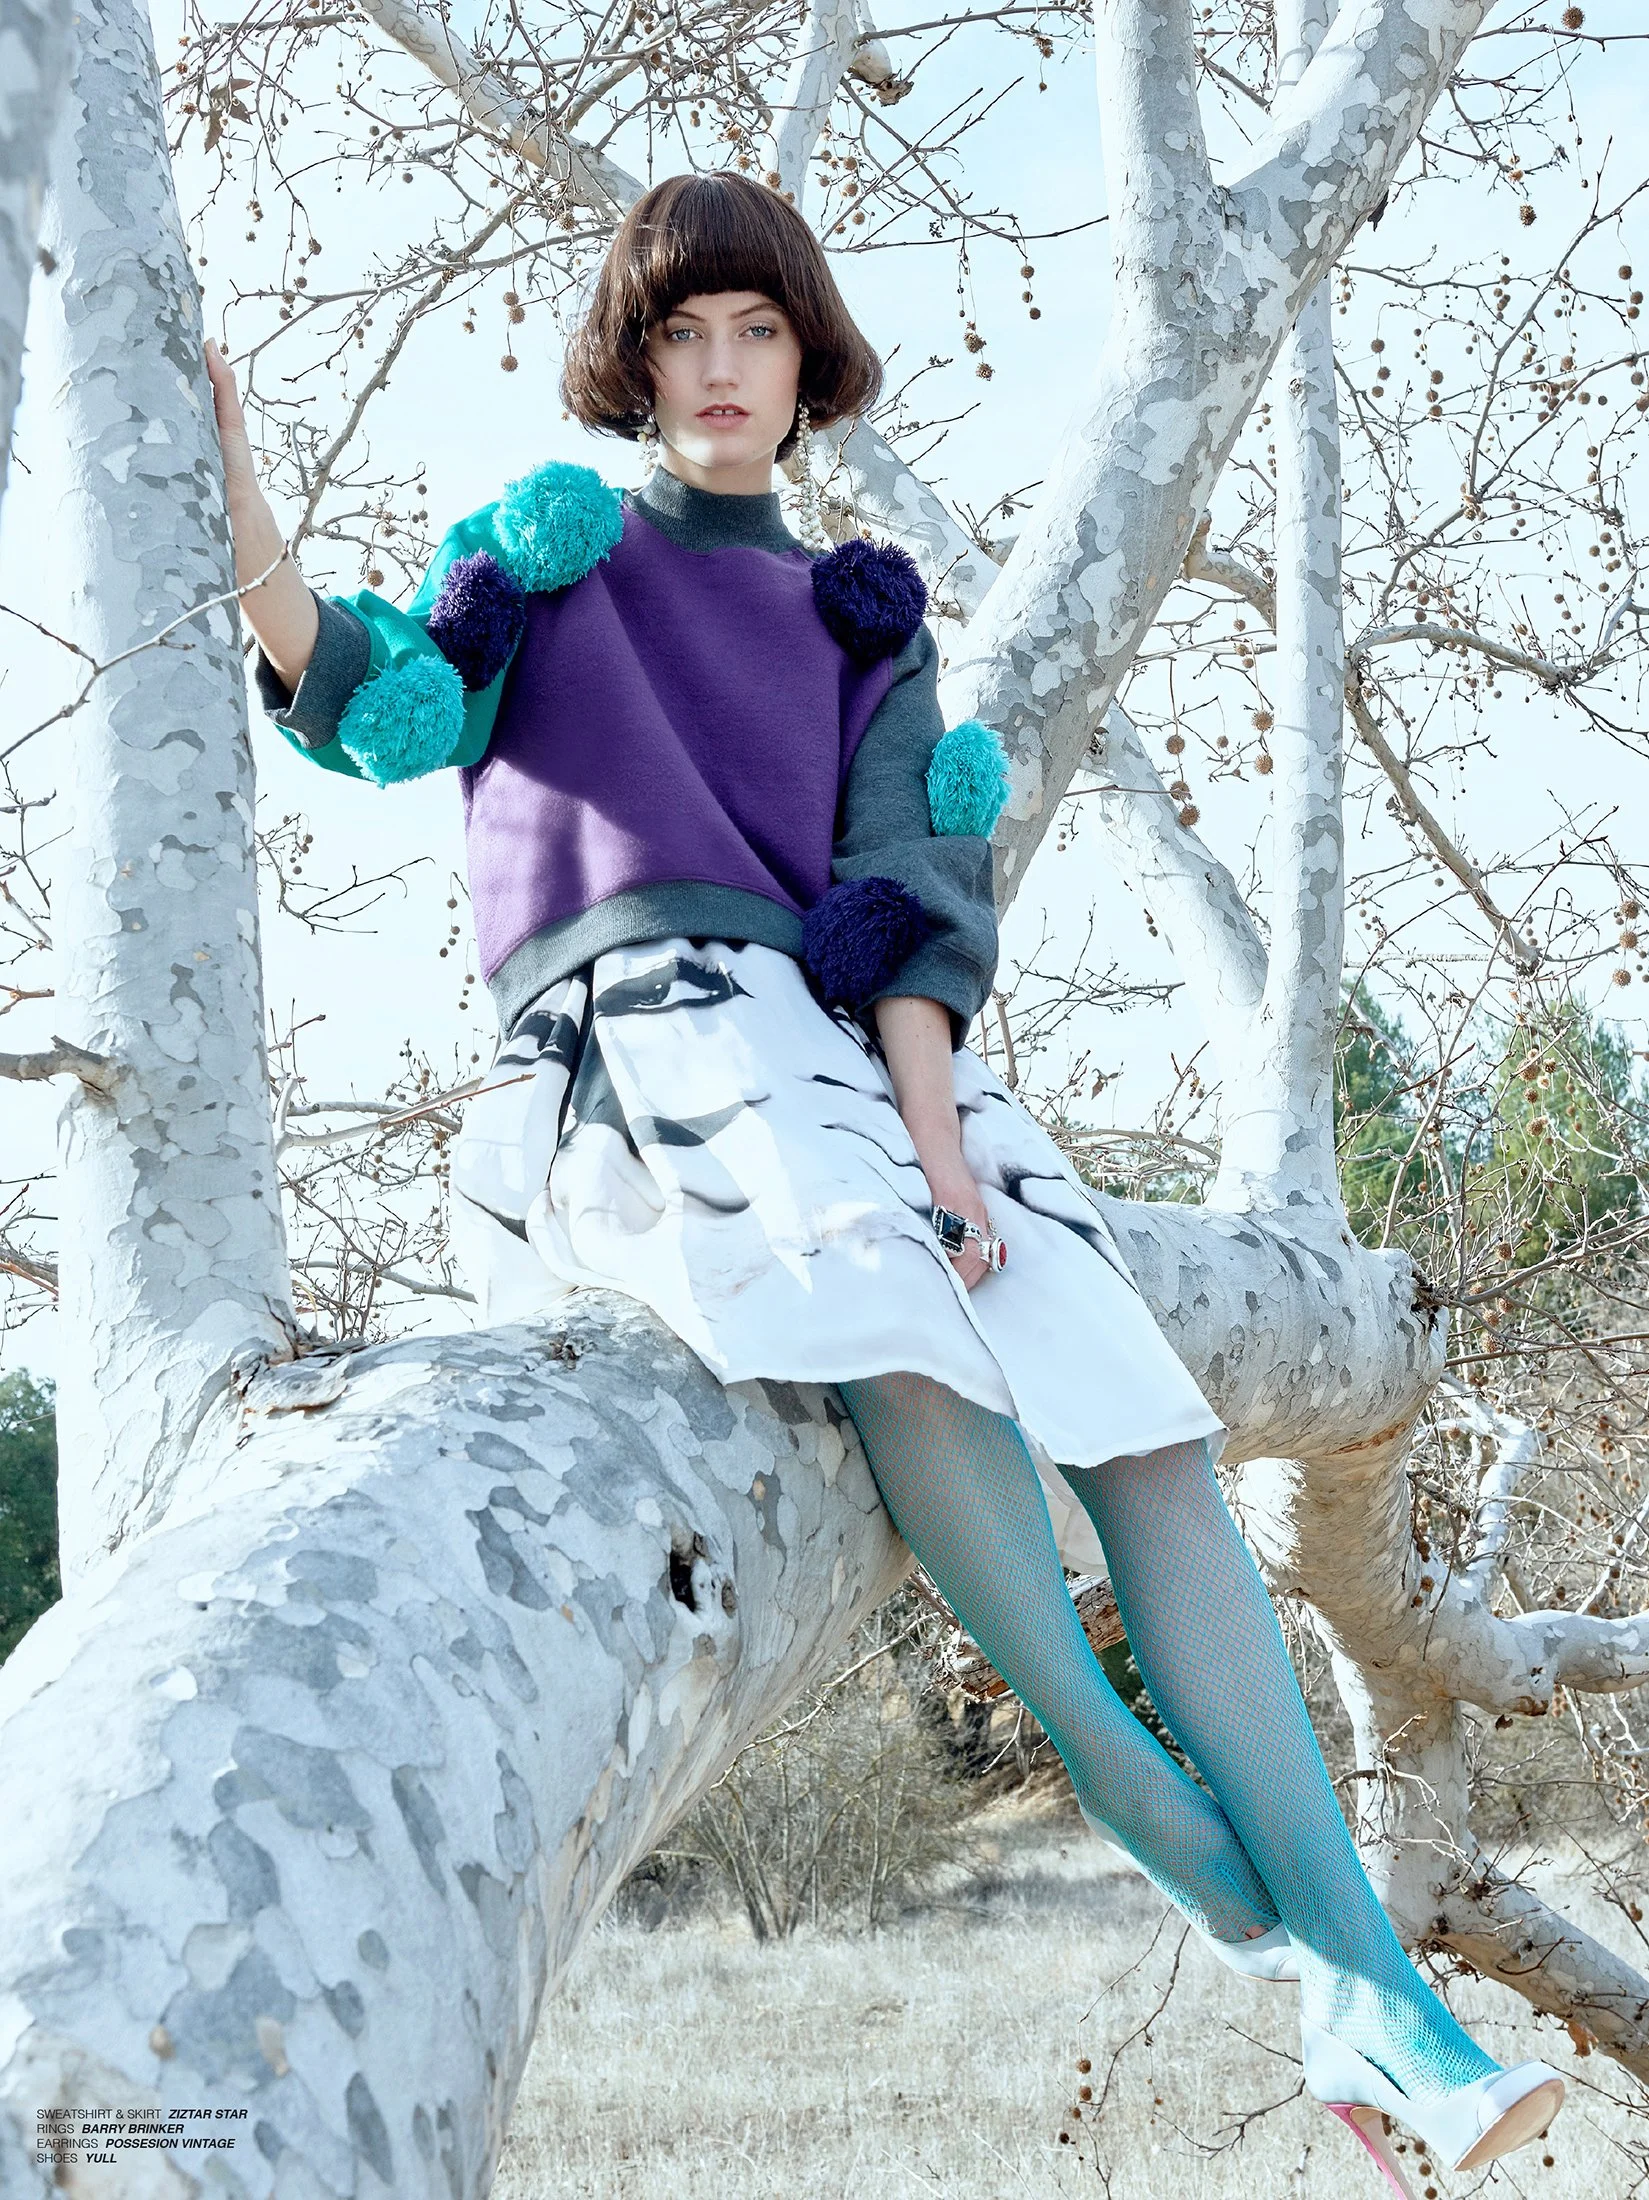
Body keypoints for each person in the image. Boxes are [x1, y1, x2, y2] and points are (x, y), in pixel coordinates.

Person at [208, 169, 1562, 2193]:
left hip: (848, 1059)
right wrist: (233, 503)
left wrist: (946, 1150)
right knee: (888, 1325)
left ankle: (1359, 1982)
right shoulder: (547, 548)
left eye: (755, 330)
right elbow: (387, 704)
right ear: (636, 359)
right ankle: (1179, 1830)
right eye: (682, 334)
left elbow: (905, 908)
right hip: (639, 1044)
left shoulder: (863, 614)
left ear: (803, 355)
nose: (721, 369)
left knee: (1143, 1421)